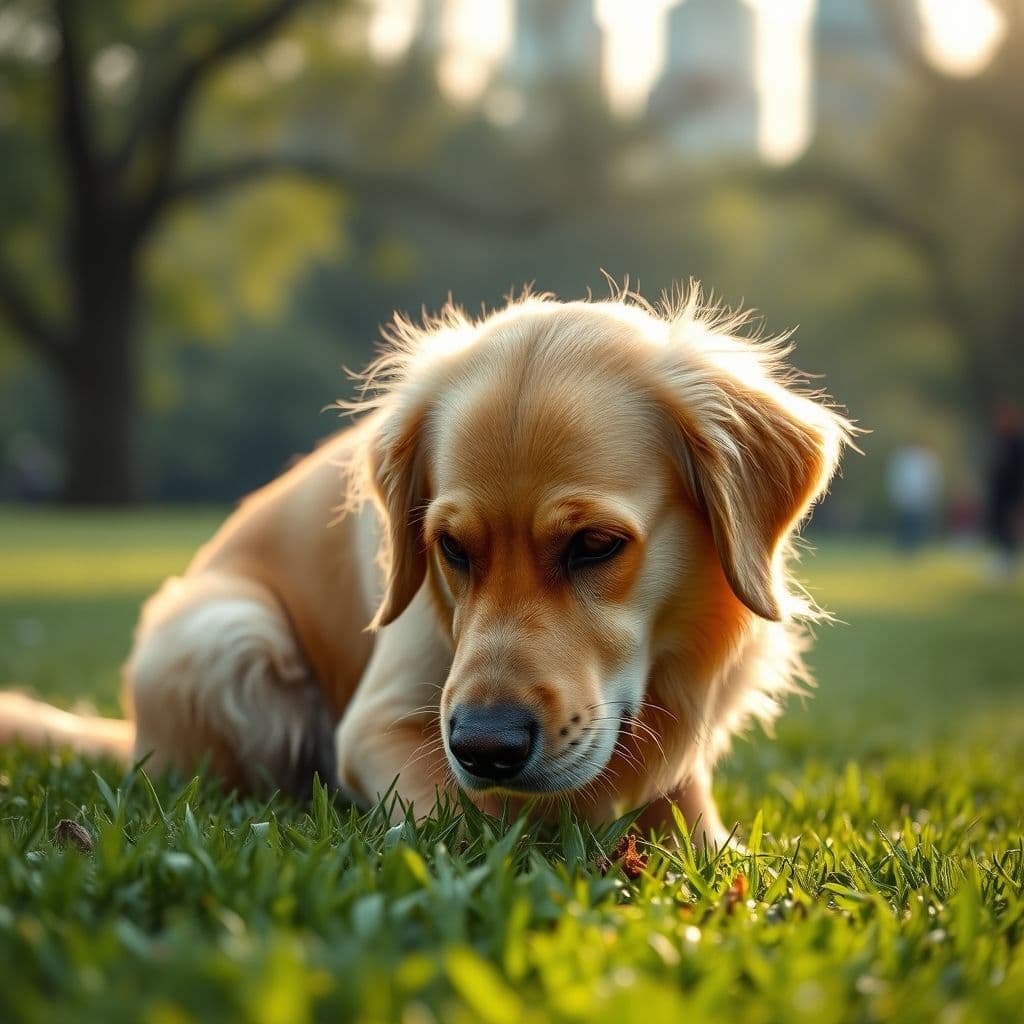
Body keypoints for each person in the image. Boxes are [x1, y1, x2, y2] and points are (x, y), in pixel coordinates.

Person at [987, 405, 1024, 578]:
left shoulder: (1017, 444)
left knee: (1010, 529)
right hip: (999, 494)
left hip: (1012, 494)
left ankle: (1008, 564)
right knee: (1000, 528)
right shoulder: (999, 441)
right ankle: (1002, 561)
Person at [886, 441, 943, 553]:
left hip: (920, 500)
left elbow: (932, 480)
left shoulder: (927, 460)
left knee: (917, 525)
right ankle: (904, 547)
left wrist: (929, 495)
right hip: (906, 500)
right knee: (905, 524)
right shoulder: (903, 460)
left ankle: (914, 548)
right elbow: (897, 480)